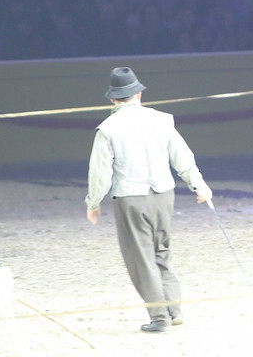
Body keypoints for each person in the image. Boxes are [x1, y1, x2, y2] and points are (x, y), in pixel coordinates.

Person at [85, 67, 213, 333]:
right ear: (139, 94)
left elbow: (100, 172)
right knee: (162, 252)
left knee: (141, 258)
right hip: (164, 194)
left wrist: (93, 202)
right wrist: (199, 185)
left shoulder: (107, 129)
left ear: (112, 99)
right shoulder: (162, 120)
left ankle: (159, 317)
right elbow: (182, 156)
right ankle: (174, 310)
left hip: (131, 198)